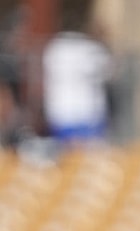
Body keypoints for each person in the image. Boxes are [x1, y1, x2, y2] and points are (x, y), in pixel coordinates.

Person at [41, 15, 113, 147]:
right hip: (86, 110)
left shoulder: (53, 48)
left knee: (66, 152)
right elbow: (108, 71)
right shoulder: (89, 49)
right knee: (89, 152)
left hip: (60, 109)